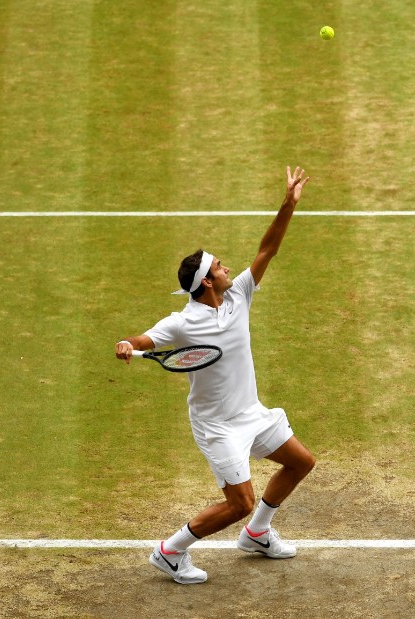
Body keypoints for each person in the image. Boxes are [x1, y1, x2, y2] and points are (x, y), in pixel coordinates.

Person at [115, 166, 316, 584]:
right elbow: (145, 339)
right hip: (217, 426)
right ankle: (169, 552)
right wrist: (127, 345)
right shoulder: (182, 322)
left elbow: (268, 250)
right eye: (221, 266)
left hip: (251, 412)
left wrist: (288, 205)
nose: (229, 268)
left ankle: (257, 533)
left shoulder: (239, 294)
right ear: (207, 281)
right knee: (238, 502)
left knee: (300, 462)